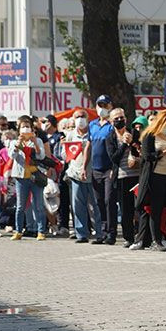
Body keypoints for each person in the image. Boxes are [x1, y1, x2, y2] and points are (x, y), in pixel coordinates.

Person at [135, 108, 166, 252]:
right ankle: (156, 240)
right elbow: (147, 156)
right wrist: (164, 153)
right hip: (156, 175)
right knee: (156, 208)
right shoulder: (150, 135)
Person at [66, 109, 104, 244]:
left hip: (92, 174)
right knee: (77, 205)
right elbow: (66, 156)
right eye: (77, 117)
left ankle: (99, 232)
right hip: (76, 174)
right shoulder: (70, 135)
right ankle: (81, 234)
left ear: (87, 118)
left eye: (83, 116)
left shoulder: (93, 133)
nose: (80, 119)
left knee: (95, 206)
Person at [8, 116, 47, 241]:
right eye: (23, 127)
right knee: (20, 206)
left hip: (35, 176)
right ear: (19, 130)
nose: (25, 129)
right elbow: (12, 156)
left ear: (32, 128)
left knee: (39, 205)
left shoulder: (38, 140)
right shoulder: (14, 142)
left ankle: (41, 231)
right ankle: (18, 231)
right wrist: (18, 144)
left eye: (27, 126)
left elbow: (41, 156)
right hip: (21, 177)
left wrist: (35, 143)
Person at [106, 108, 140, 248]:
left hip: (137, 175)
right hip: (122, 177)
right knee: (126, 210)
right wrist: (124, 144)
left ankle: (142, 235)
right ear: (111, 121)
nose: (120, 120)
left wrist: (132, 143)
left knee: (139, 208)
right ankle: (129, 237)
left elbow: (140, 150)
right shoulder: (110, 138)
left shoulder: (134, 133)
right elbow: (114, 158)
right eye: (116, 118)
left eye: (122, 117)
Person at [89, 95, 117, 244]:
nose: (102, 108)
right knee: (99, 202)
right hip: (95, 169)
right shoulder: (92, 124)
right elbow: (89, 145)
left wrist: (114, 167)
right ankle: (102, 232)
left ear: (110, 106)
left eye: (105, 105)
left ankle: (111, 233)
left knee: (109, 200)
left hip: (109, 169)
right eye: (99, 105)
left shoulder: (112, 125)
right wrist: (84, 167)